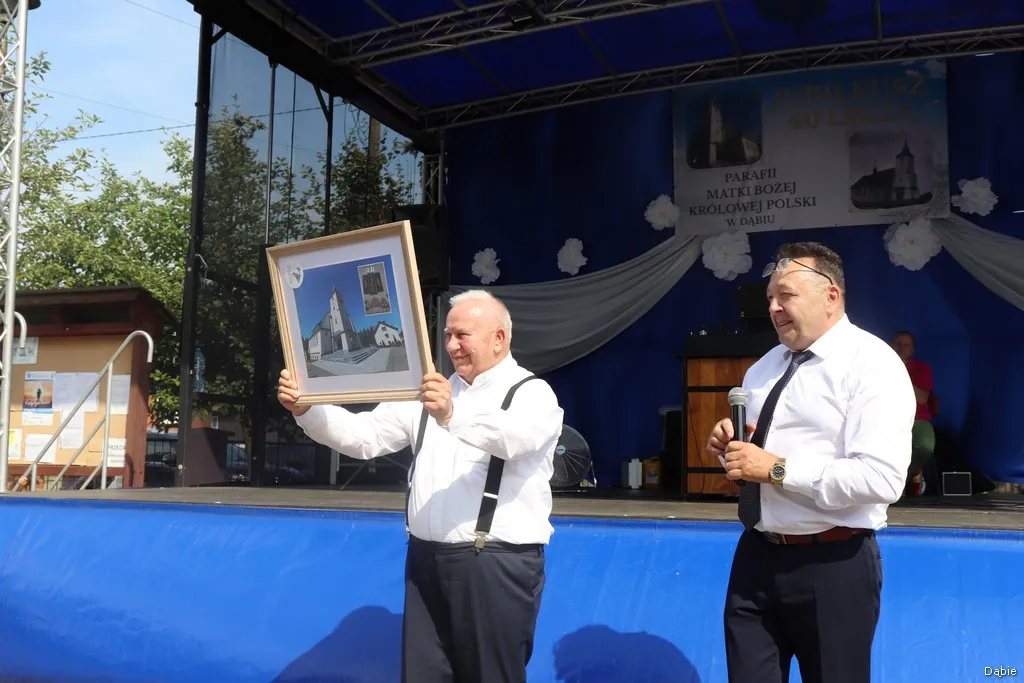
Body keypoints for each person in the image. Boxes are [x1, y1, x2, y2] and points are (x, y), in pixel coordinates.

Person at [277, 289, 564, 683]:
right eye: (448, 335)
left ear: (499, 338)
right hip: (425, 559)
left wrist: (451, 413)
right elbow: (364, 437)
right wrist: (307, 409)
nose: (452, 345)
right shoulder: (430, 392)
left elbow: (514, 439)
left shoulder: (531, 393)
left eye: (462, 335)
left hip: (494, 564)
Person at [706, 242, 916, 683]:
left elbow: (882, 478)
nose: (773, 308)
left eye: (786, 295)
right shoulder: (762, 368)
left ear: (831, 296)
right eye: (770, 297)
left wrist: (775, 468)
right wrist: (733, 450)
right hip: (756, 556)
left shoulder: (873, 364)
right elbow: (754, 463)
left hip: (833, 564)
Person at [891, 330, 937, 495]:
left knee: (925, 446)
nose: (901, 348)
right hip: (887, 419)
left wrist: (900, 370)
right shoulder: (879, 365)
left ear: (912, 350)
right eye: (898, 344)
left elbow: (922, 399)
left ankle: (900, 479)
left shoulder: (922, 368)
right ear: (890, 346)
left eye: (906, 345)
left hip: (917, 419)